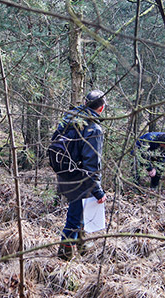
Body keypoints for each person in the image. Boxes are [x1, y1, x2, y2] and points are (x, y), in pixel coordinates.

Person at [52, 89, 107, 261]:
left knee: (80, 214)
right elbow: (91, 164)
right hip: (80, 178)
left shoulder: (70, 118)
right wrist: (98, 191)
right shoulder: (94, 129)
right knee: (74, 219)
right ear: (101, 108)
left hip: (64, 173)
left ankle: (82, 247)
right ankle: (64, 256)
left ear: (85, 104)